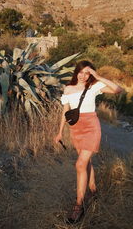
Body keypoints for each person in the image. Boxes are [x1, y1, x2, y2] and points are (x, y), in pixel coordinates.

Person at [54, 60, 123, 223]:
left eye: (88, 72)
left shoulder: (94, 86)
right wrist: (59, 133)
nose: (84, 76)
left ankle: (79, 206)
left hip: (91, 127)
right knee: (86, 162)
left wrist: (98, 76)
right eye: (81, 72)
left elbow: (118, 89)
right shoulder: (68, 89)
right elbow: (65, 111)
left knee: (80, 164)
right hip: (76, 128)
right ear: (76, 72)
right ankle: (93, 190)